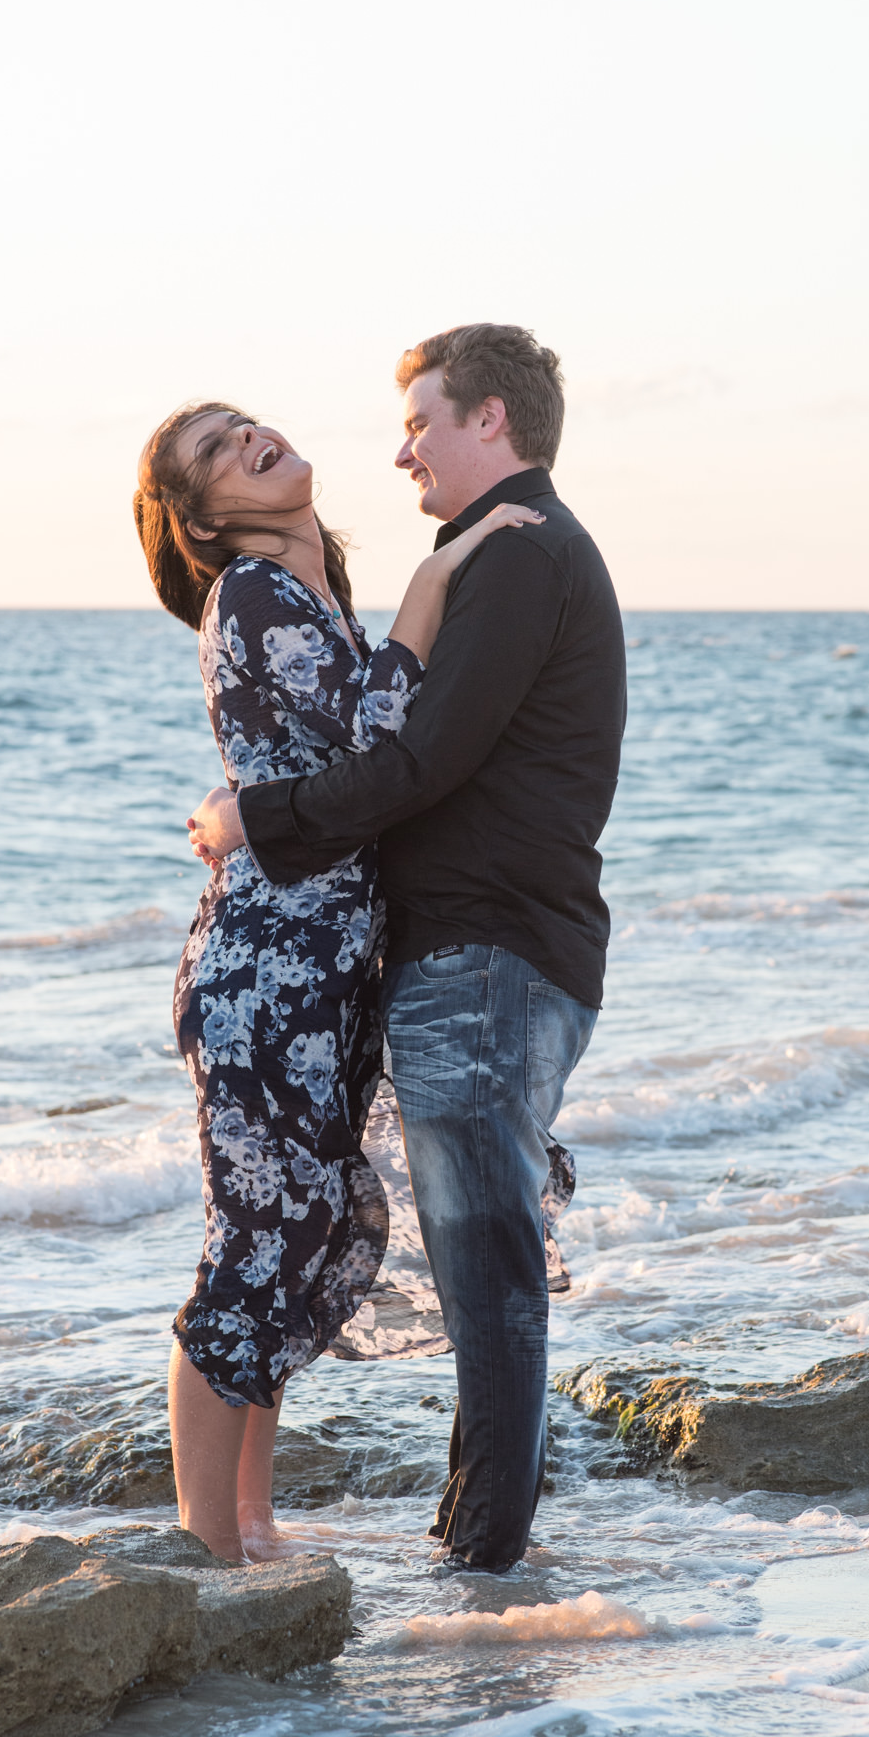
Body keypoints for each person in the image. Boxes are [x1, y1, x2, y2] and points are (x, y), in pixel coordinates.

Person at [187, 324, 627, 1573]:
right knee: (460, 1259)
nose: (400, 450)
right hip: (473, 956)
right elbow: (395, 744)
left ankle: (480, 1576)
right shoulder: (492, 555)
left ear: (488, 420)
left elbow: (414, 764)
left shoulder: (515, 558)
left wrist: (248, 818)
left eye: (422, 422)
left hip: (486, 957)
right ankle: (469, 1551)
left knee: (485, 1271)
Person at [135, 398, 544, 1562]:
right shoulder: (253, 596)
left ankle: (249, 1523)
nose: (248, 439)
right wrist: (446, 569)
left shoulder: (309, 597)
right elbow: (385, 742)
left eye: (243, 423)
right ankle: (201, 1548)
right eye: (215, 451)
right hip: (262, 978)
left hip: (318, 982)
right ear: (203, 518)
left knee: (296, 1231)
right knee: (251, 1243)